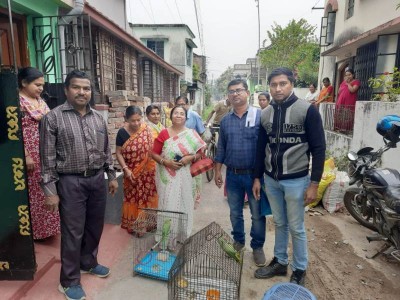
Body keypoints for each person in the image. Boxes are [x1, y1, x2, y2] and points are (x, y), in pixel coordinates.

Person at [40, 70, 118, 300]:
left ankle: (88, 262)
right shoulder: (53, 118)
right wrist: (50, 191)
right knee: (73, 232)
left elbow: (105, 151)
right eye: (77, 87)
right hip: (70, 181)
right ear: (66, 90)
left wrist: (111, 176)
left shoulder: (97, 118)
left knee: (95, 226)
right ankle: (69, 280)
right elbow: (47, 158)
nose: (82, 92)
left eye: (86, 88)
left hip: (96, 180)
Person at [252, 67, 325, 286]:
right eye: (273, 85)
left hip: (296, 180)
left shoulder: (307, 110)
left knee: (296, 226)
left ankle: (300, 269)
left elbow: (319, 148)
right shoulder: (265, 113)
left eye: (282, 83)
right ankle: (281, 262)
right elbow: (260, 148)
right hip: (271, 180)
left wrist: (314, 184)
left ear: (292, 84)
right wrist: (257, 178)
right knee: (280, 222)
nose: (278, 88)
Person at [214, 78, 267, 267]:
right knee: (235, 212)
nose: (235, 94)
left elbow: (266, 148)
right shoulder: (226, 121)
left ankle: (258, 246)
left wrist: (260, 177)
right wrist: (218, 171)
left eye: (239, 90)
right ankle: (238, 242)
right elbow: (221, 148)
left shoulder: (260, 116)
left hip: (254, 176)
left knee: (256, 213)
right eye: (231, 91)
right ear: (228, 97)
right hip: (233, 175)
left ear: (247, 93)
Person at [18, 67, 60, 241]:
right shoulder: (16, 102)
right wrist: (26, 155)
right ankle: (36, 231)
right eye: (37, 84)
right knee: (34, 191)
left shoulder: (40, 101)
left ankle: (49, 228)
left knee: (47, 185)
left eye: (42, 85)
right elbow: (15, 131)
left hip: (45, 151)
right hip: (29, 153)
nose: (41, 88)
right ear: (24, 83)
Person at [152, 105, 206, 237]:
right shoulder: (164, 133)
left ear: (186, 117)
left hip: (185, 175)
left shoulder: (191, 134)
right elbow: (154, 153)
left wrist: (190, 157)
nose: (178, 115)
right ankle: (167, 237)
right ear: (171, 116)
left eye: (182, 113)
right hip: (167, 175)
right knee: (168, 204)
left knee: (185, 201)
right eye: (176, 113)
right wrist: (166, 162)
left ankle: (182, 235)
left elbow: (200, 153)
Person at [116, 106, 158, 234]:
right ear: (126, 119)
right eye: (132, 120)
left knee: (147, 197)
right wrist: (125, 169)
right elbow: (118, 153)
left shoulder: (147, 130)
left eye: (139, 120)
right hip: (131, 174)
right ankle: (135, 225)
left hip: (148, 173)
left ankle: (149, 224)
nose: (136, 123)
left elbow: (153, 151)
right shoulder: (122, 133)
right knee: (133, 198)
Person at [175, 96, 205, 208]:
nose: (181, 107)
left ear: (187, 105)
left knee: (194, 180)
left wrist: (195, 151)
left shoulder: (194, 116)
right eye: (178, 104)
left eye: (183, 104)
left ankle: (191, 204)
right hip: (178, 155)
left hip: (193, 156)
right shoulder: (174, 116)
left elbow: (201, 134)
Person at [335, 69, 360, 133]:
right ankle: (340, 128)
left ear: (353, 75)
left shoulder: (356, 81)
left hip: (349, 101)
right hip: (341, 101)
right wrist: (344, 83)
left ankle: (347, 129)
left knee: (348, 114)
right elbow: (339, 92)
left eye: (349, 75)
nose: (348, 76)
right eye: (346, 75)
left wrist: (348, 83)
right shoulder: (343, 82)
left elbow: (352, 90)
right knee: (340, 114)